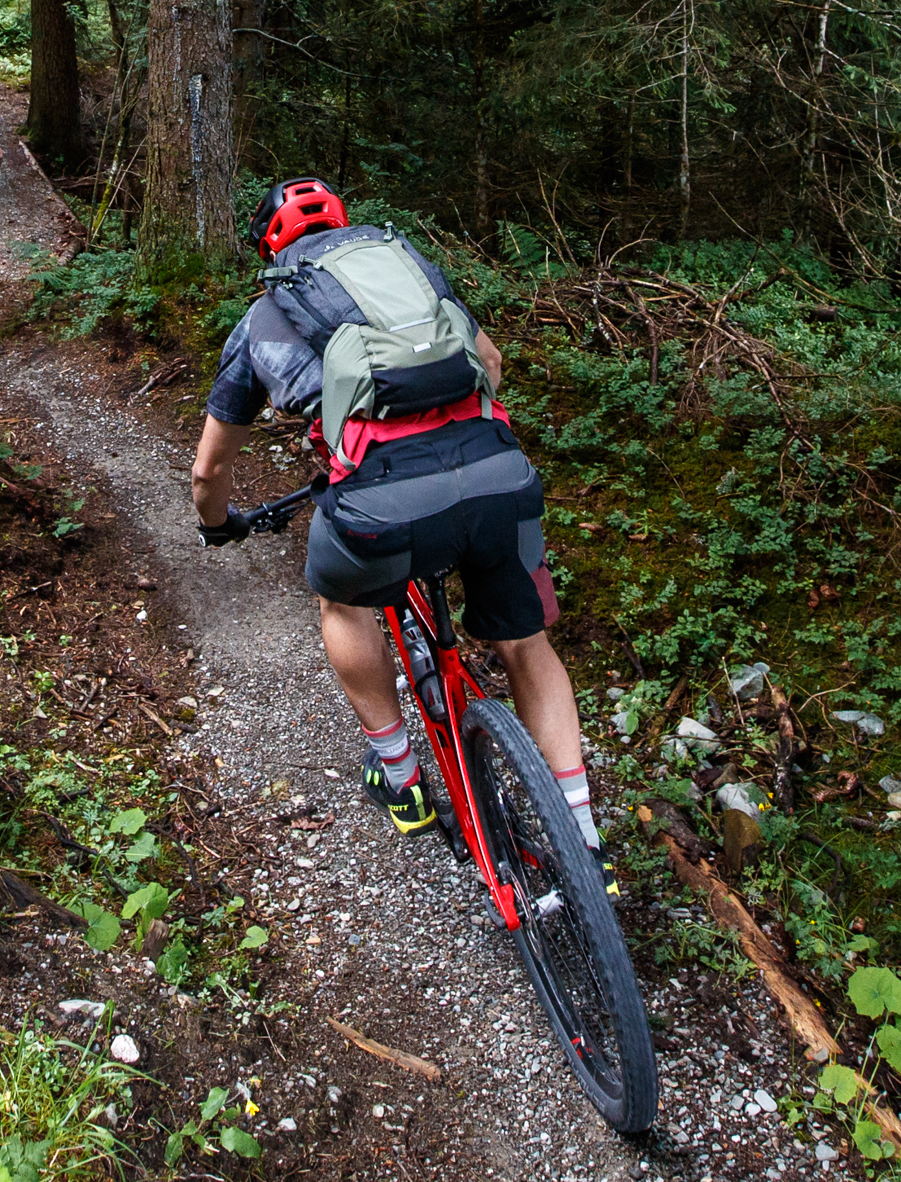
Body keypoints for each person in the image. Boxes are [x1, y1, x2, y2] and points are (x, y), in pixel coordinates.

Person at [190, 177, 603, 849]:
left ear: (270, 243)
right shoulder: (414, 277)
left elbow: (209, 469)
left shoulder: (264, 318)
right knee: (527, 644)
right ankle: (583, 835)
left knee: (344, 605)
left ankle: (401, 779)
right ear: (345, 226)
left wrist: (217, 523)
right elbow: (490, 364)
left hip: (381, 503)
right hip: (499, 474)